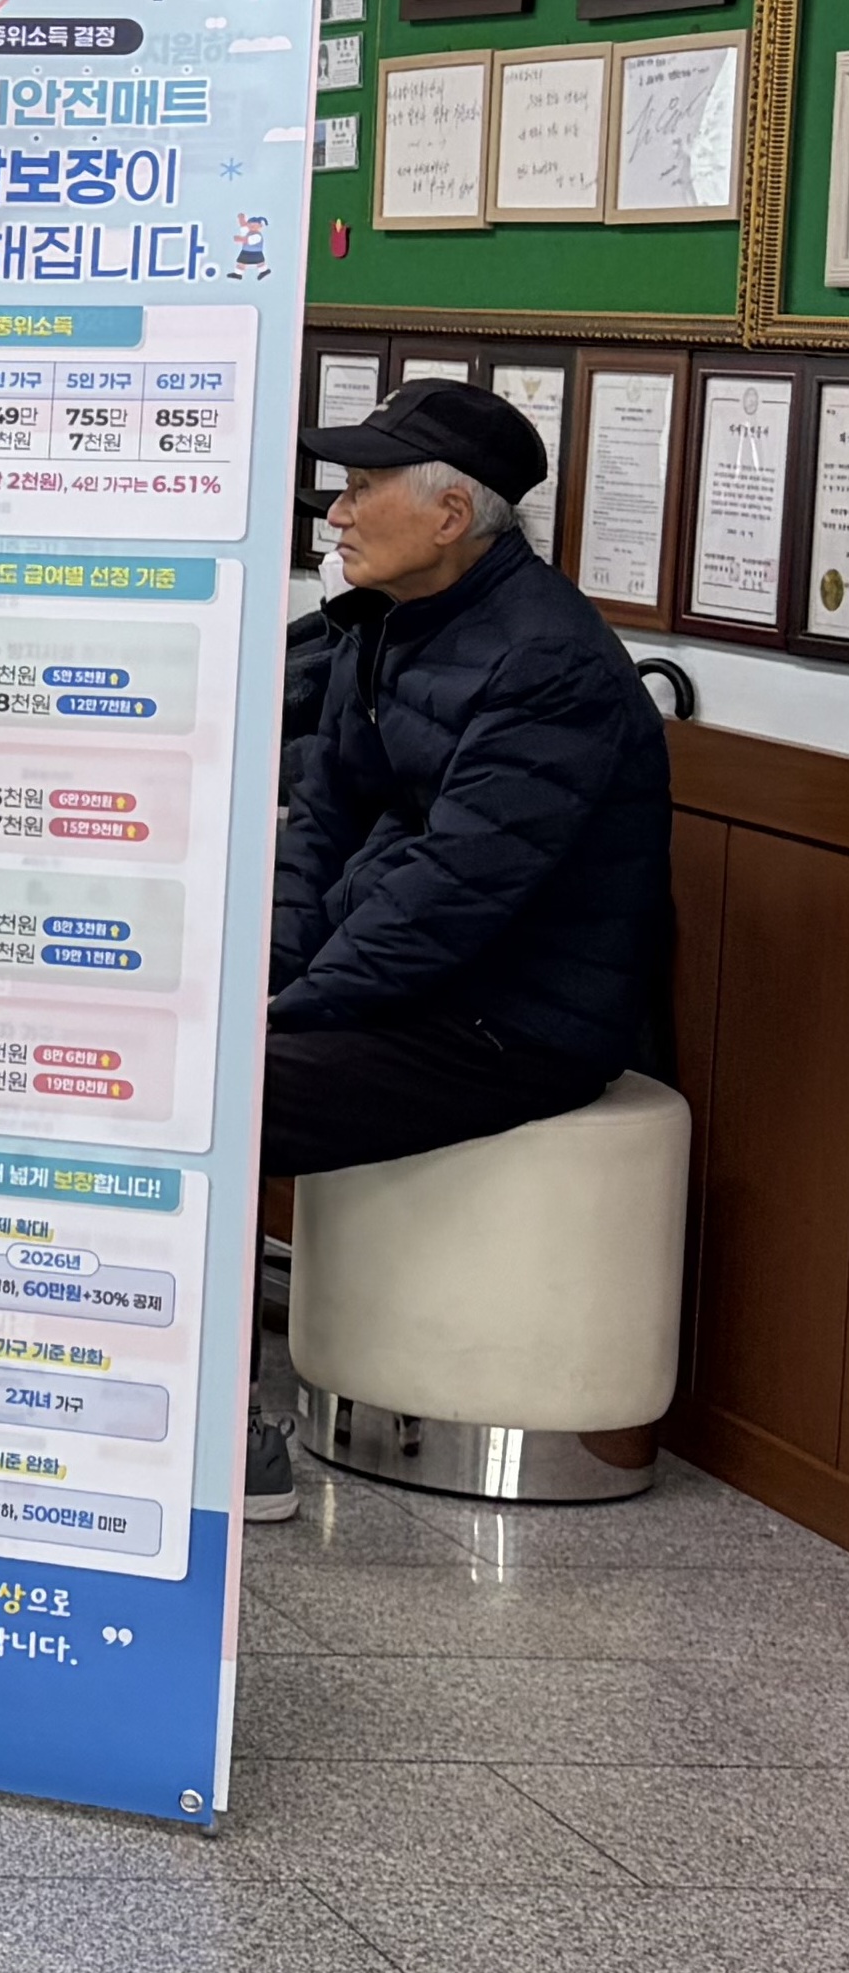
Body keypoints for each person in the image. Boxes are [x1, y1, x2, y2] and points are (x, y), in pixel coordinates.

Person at [253, 377, 675, 1513]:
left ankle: (217, 1429)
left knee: (229, 1102)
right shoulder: (385, 624)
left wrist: (285, 1015)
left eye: (362, 486)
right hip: (404, 991)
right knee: (187, 1058)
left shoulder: (547, 666)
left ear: (450, 515)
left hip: (510, 1020)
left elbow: (451, 897)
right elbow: (318, 823)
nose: (336, 512)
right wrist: (268, 980)